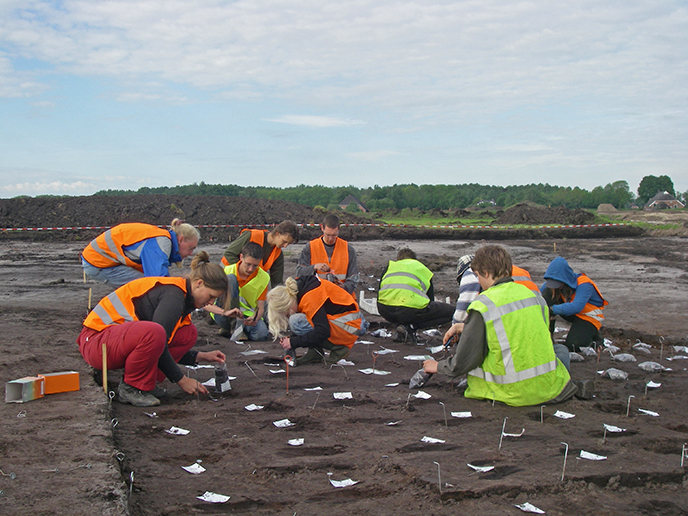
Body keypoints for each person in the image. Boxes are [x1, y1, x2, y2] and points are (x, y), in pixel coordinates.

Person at [423, 245, 576, 407]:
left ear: (486, 273)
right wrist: (466, 328)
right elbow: (519, 332)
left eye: (477, 276)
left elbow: (464, 360)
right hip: (551, 388)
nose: (478, 282)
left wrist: (437, 366)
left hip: (511, 391)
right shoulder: (534, 297)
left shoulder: (484, 303)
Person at [77, 251, 228, 407]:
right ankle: (131, 387)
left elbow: (159, 346)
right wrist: (181, 380)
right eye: (211, 296)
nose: (211, 302)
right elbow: (156, 340)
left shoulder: (181, 296)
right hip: (96, 343)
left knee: (187, 334)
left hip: (110, 342)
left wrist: (200, 356)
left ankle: (145, 384)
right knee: (154, 332)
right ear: (199, 283)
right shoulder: (174, 296)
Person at [267, 276, 362, 365]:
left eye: (286, 313)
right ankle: (315, 352)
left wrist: (293, 342)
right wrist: (292, 339)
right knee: (300, 320)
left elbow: (323, 331)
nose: (287, 315)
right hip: (348, 322)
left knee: (296, 321)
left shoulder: (310, 298)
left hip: (349, 327)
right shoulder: (301, 288)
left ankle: (339, 348)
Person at [81, 219, 199, 288]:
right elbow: (157, 279)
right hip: (98, 262)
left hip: (101, 259)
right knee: (146, 287)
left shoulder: (161, 238)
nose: (191, 253)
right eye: (190, 248)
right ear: (181, 240)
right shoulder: (162, 242)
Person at [377, 248, 454, 344]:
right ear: (414, 259)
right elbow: (430, 300)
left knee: (401, 310)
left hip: (385, 310)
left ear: (398, 260)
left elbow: (380, 290)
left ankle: (400, 329)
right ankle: (410, 327)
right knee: (451, 312)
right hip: (409, 311)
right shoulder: (421, 268)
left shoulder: (390, 267)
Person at [205, 242, 270, 342]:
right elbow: (206, 304)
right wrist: (225, 312)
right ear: (241, 257)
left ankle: (232, 331)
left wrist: (255, 319)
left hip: (245, 315)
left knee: (261, 335)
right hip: (224, 315)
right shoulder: (226, 271)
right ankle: (235, 328)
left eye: (255, 266)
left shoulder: (263, 277)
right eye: (248, 264)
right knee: (230, 279)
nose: (250, 269)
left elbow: (260, 307)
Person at [541, 256, 608, 352]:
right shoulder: (551, 283)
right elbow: (540, 296)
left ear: (564, 279)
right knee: (547, 293)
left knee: (573, 345)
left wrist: (551, 309)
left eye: (557, 283)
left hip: (588, 316)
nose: (555, 286)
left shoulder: (584, 284)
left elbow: (577, 307)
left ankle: (595, 336)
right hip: (570, 312)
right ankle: (548, 335)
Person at [453, 253, 540, 324]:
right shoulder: (519, 271)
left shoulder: (471, 272)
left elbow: (461, 315)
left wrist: (456, 329)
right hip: (536, 320)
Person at [296, 213, 360, 295]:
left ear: (338, 230)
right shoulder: (310, 247)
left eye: (334, 235)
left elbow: (354, 277)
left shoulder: (348, 249)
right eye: (328, 235)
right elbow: (299, 273)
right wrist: (314, 267)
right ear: (322, 228)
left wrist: (344, 287)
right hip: (317, 296)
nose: (330, 239)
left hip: (340, 296)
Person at [222, 220, 299, 287]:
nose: (285, 246)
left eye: (288, 244)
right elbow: (229, 254)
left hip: (246, 282)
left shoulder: (278, 254)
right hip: (225, 275)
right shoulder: (251, 236)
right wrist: (247, 270)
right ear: (277, 234)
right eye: (284, 241)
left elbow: (277, 282)